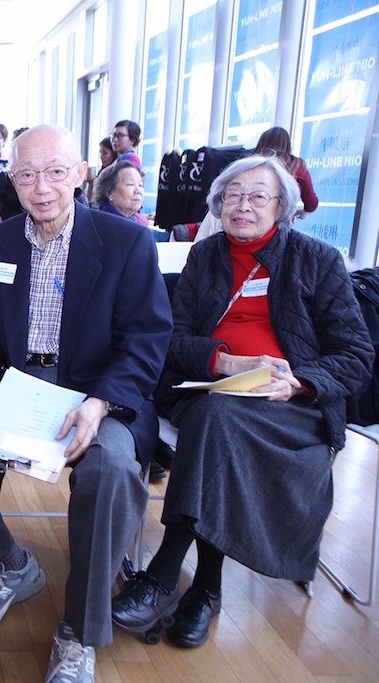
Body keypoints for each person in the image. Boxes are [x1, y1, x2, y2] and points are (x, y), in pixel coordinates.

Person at [0, 125, 171, 683]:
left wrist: (101, 402)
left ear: (81, 173)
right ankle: (9, 563)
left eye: (56, 171)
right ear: (11, 180)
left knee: (109, 468)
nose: (42, 186)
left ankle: (79, 631)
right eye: (27, 174)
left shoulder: (126, 242)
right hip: (14, 386)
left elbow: (146, 340)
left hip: (97, 392)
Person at [111, 155, 372, 649]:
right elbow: (171, 338)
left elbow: (356, 354)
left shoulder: (319, 260)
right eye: (232, 196)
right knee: (217, 415)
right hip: (208, 391)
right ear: (218, 205)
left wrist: (299, 381)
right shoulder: (205, 256)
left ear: (284, 208)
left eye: (257, 196)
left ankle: (168, 574)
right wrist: (225, 363)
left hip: (291, 410)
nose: (243, 206)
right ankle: (205, 589)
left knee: (216, 426)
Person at [253, 126, 317, 218]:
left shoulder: (250, 163)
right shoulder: (296, 165)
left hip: (252, 218)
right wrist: (304, 212)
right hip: (282, 221)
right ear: (287, 145)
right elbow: (311, 202)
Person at [93, 159, 148, 226]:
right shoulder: (100, 224)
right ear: (110, 192)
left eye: (140, 185)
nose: (138, 191)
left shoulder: (141, 223)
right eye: (130, 184)